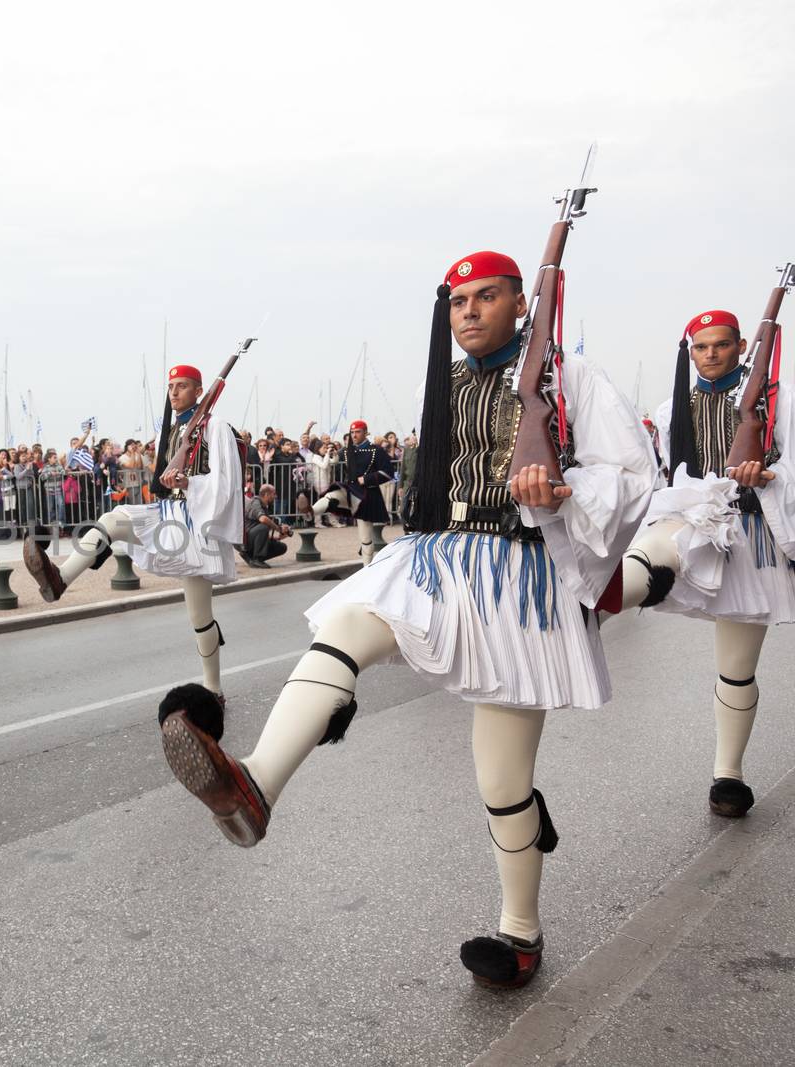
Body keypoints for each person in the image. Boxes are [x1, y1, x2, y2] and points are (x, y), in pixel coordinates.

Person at [157, 250, 656, 989]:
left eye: (487, 298)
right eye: (458, 302)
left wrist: (561, 489)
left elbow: (631, 475)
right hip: (440, 553)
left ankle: (520, 931)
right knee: (349, 621)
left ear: (522, 304)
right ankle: (256, 785)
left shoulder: (568, 377)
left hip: (517, 572)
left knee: (503, 780)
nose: (470, 313)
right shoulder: (446, 382)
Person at [606, 307, 795, 818]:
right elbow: (658, 475)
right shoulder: (673, 409)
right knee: (645, 560)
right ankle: (588, 603)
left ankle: (727, 775)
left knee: (736, 669)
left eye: (720, 345)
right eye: (700, 347)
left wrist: (770, 476)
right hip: (688, 522)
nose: (709, 355)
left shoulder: (778, 402)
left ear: (741, 348)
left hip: (751, 532)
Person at [23, 364, 243, 704]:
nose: (174, 392)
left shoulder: (214, 427)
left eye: (183, 386)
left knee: (200, 616)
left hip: (198, 523)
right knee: (115, 518)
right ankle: (60, 579)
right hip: (169, 515)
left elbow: (226, 480)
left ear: (199, 391)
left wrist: (190, 483)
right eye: (171, 387)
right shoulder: (172, 430)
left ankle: (214, 689)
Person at [312, 419, 396, 565]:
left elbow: (388, 472)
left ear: (365, 432)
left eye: (358, 432)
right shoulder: (346, 450)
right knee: (331, 496)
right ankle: (309, 511)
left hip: (368, 495)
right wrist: (332, 454)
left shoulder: (376, 450)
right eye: (352, 432)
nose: (354, 435)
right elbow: (333, 462)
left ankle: (366, 568)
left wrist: (366, 479)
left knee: (365, 537)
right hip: (351, 490)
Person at [242, 483, 291, 566]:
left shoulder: (264, 506)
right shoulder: (255, 502)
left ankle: (251, 557)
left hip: (252, 537)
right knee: (264, 526)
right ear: (266, 494)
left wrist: (278, 537)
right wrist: (279, 529)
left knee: (282, 547)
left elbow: (261, 534)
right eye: (274, 494)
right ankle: (257, 559)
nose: (275, 496)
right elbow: (263, 520)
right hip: (246, 540)